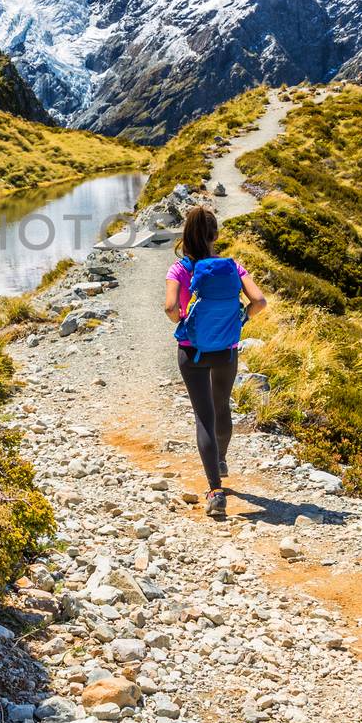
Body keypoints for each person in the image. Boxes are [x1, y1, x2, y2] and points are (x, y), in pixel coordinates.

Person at [163, 206, 267, 518]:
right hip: (226, 349)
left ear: (186, 236)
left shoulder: (179, 270)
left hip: (192, 351)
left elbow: (170, 308)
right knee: (221, 407)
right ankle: (220, 457)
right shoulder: (232, 267)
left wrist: (183, 318)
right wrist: (240, 319)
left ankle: (215, 489)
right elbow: (260, 301)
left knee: (203, 416)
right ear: (215, 236)